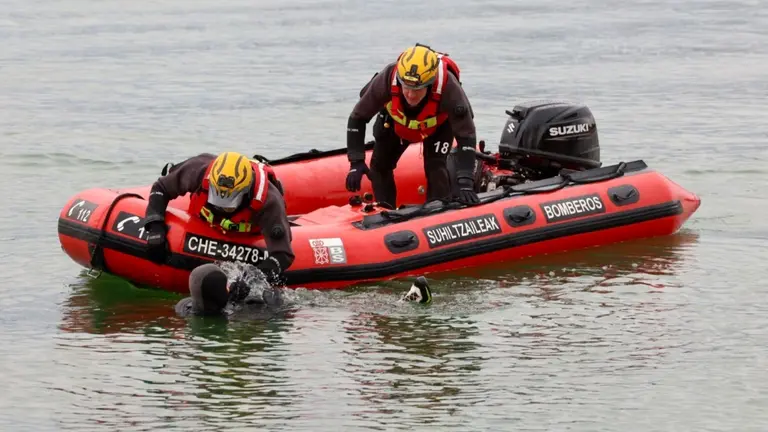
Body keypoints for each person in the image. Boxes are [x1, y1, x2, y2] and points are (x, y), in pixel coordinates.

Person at [344, 43, 481, 208]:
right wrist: (356, 161)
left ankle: (437, 210)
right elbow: (358, 117)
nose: (410, 94)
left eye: (417, 89)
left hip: (437, 126)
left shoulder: (449, 88)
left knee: (435, 166)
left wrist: (465, 180)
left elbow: (466, 134)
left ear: (430, 84)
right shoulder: (388, 78)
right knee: (379, 166)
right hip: (396, 122)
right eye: (406, 87)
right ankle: (384, 210)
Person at [142, 151, 294, 283]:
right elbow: (161, 188)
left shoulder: (269, 200)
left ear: (246, 191)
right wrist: (155, 227)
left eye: (229, 201)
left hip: (246, 235)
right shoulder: (198, 170)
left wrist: (252, 280)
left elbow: (283, 255)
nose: (222, 207)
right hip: (200, 222)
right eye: (218, 198)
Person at [175, 263, 285, 317]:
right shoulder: (239, 315)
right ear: (220, 294)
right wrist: (275, 307)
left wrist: (232, 299)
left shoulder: (182, 307)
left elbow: (209, 302)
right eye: (225, 285)